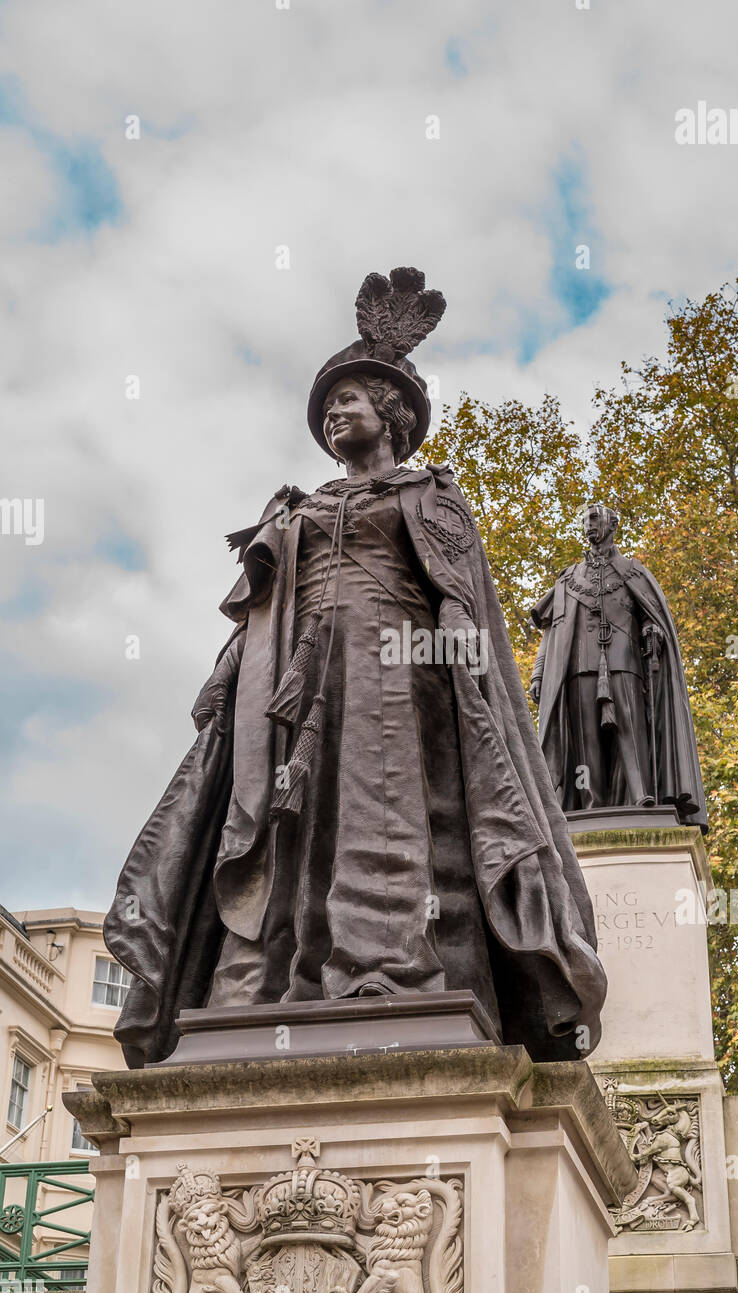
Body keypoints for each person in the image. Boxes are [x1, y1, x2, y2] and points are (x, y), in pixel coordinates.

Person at [104, 267, 606, 1067]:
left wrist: (461, 675)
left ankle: (383, 970)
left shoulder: (431, 497)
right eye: (329, 405)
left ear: (392, 415)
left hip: (399, 681)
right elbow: (266, 610)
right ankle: (270, 986)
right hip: (295, 691)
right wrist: (227, 676)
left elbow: (458, 601)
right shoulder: (298, 509)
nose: (337, 413)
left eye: (350, 401)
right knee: (287, 825)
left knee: (384, 816)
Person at [530, 502, 707, 826]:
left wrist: (653, 632)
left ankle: (641, 796)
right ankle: (590, 804)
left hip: (625, 662)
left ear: (613, 523)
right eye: (584, 519)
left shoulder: (633, 572)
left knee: (630, 726)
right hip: (580, 667)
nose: (588, 524)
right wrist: (540, 671)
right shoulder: (568, 579)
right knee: (586, 742)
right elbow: (552, 631)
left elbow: (651, 619)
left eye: (594, 518)